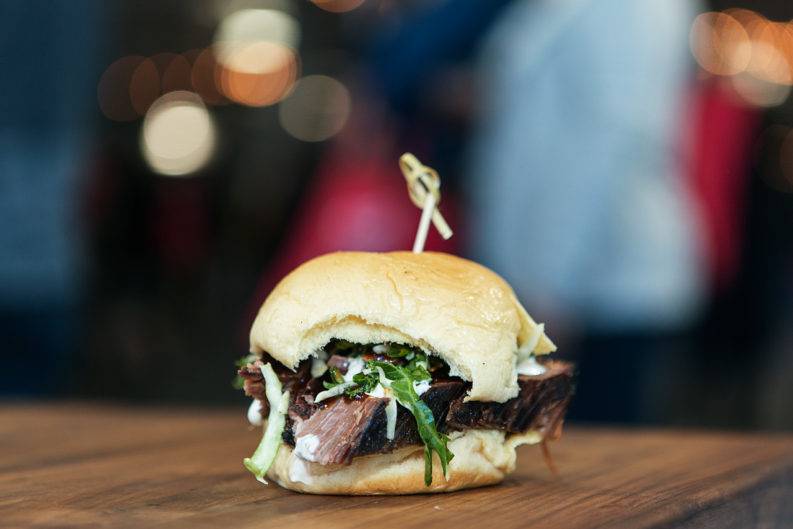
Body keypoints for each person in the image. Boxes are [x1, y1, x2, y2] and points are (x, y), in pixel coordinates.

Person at [466, 0, 705, 422]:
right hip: (571, 281)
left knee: (601, 472)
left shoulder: (628, 8)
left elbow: (607, 143)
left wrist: (552, 282)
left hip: (602, 287)